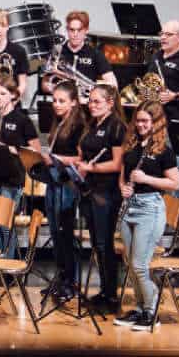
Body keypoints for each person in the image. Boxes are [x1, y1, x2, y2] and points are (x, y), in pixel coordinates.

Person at [116, 101, 179, 331]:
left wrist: (146, 179)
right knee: (130, 264)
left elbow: (175, 183)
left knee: (140, 265)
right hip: (130, 207)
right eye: (138, 120)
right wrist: (123, 188)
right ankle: (141, 308)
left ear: (156, 122)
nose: (140, 125)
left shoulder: (164, 151)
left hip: (150, 208)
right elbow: (123, 178)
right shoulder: (131, 145)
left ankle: (152, 312)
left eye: (146, 121)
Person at [77, 84, 127, 313]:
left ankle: (112, 296)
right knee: (97, 243)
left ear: (110, 103)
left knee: (105, 244)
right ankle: (105, 291)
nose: (92, 105)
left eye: (97, 101)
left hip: (107, 192)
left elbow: (117, 164)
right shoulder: (93, 124)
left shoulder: (116, 127)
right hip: (91, 189)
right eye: (90, 101)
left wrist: (91, 167)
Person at [39, 80, 88, 306]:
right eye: (54, 100)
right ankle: (61, 277)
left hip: (67, 183)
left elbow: (80, 158)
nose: (56, 104)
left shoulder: (79, 125)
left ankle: (71, 281)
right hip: (54, 179)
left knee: (65, 232)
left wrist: (56, 159)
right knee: (55, 232)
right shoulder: (58, 122)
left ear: (74, 102)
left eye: (62, 101)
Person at [0, 74, 39, 253]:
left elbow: (35, 151)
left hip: (12, 178)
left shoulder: (21, 119)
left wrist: (12, 149)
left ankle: (7, 262)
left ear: (13, 95)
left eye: (3, 93)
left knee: (4, 224)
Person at [43, 10, 117, 94]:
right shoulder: (57, 52)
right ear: (67, 30)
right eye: (72, 30)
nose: (75, 34)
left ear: (86, 30)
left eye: (79, 30)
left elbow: (113, 84)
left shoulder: (95, 54)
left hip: (86, 100)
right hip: (61, 100)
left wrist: (97, 93)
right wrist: (57, 90)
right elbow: (44, 84)